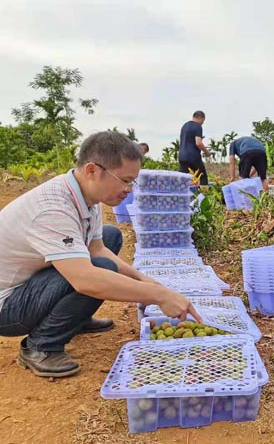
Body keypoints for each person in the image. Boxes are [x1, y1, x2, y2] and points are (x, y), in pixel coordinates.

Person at [0, 131, 201, 378]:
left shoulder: (86, 197)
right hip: (7, 306)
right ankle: (41, 346)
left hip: (33, 284)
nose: (129, 189)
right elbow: (86, 279)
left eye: (133, 182)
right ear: (92, 170)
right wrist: (159, 295)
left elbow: (97, 249)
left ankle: (75, 317)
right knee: (100, 270)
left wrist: (143, 280)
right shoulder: (52, 209)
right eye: (125, 180)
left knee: (109, 236)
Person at [179, 110, 213, 185]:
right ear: (200, 118)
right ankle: (204, 195)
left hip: (182, 157)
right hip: (193, 156)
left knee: (183, 179)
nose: (202, 123)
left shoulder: (185, 126)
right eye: (203, 121)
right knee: (202, 177)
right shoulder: (197, 126)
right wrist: (207, 152)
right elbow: (198, 143)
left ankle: (183, 196)